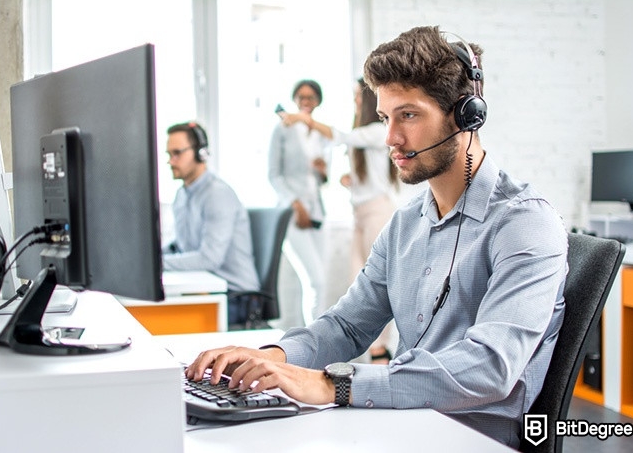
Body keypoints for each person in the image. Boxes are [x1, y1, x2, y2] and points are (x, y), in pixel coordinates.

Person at [186, 26, 567, 448]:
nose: (390, 139)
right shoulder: (406, 224)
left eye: (408, 115)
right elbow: (347, 326)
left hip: (470, 440)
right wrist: (271, 358)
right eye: (386, 118)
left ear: (466, 115)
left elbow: (490, 367)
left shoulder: (524, 224)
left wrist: (336, 384)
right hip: (401, 425)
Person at [286, 78, 400, 363]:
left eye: (357, 98)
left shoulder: (378, 130)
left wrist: (306, 121)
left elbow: (341, 136)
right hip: (360, 214)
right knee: (358, 285)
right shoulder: (365, 133)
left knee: (382, 285)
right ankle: (370, 351)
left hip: (378, 213)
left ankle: (381, 350)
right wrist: (350, 181)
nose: (355, 103)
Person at [162, 121, 260, 328]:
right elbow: (181, 246)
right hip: (204, 287)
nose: (171, 161)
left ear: (201, 153)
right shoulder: (182, 195)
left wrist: (156, 265)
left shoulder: (217, 194)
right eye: (169, 154)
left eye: (177, 153)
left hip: (235, 297)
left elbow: (209, 259)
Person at [268, 79, 331, 325]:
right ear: (294, 99)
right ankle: (314, 342)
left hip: (318, 213)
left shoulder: (321, 134)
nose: (306, 102)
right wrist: (295, 204)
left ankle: (316, 336)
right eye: (301, 97)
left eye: (311, 98)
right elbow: (273, 174)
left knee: (321, 282)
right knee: (314, 280)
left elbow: (323, 180)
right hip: (292, 213)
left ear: (317, 102)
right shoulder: (282, 129)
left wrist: (323, 171)